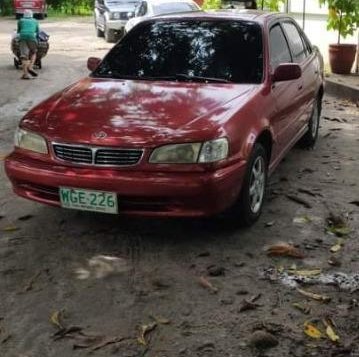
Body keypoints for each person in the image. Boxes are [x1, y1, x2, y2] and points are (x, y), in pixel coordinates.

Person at [17, 9, 39, 80]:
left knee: (24, 56)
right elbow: (37, 31)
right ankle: (30, 67)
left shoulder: (21, 20)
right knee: (33, 52)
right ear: (31, 15)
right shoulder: (35, 21)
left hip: (22, 38)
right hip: (32, 38)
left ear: (24, 15)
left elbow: (18, 31)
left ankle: (25, 74)